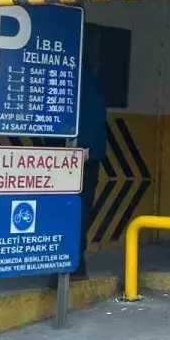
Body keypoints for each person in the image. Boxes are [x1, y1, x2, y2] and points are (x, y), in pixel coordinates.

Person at [73, 65, 107, 278]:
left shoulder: (86, 81)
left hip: (82, 159)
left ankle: (74, 263)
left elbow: (95, 117)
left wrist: (87, 146)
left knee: (78, 211)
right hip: (60, 160)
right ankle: (66, 261)